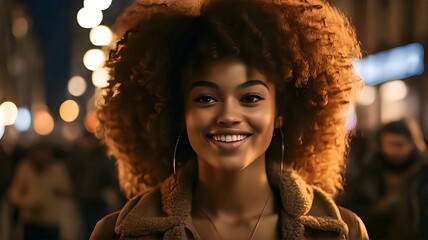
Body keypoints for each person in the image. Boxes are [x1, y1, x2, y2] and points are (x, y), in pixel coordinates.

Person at [90, 0, 368, 239]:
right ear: (178, 112)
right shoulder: (116, 234)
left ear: (281, 112)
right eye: (206, 99)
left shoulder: (344, 232)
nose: (228, 116)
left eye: (250, 98)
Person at [344, 119, 428, 239]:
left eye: (400, 144)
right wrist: (377, 209)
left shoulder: (423, 173)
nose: (394, 150)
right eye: (389, 144)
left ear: (413, 143)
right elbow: (354, 207)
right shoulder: (369, 172)